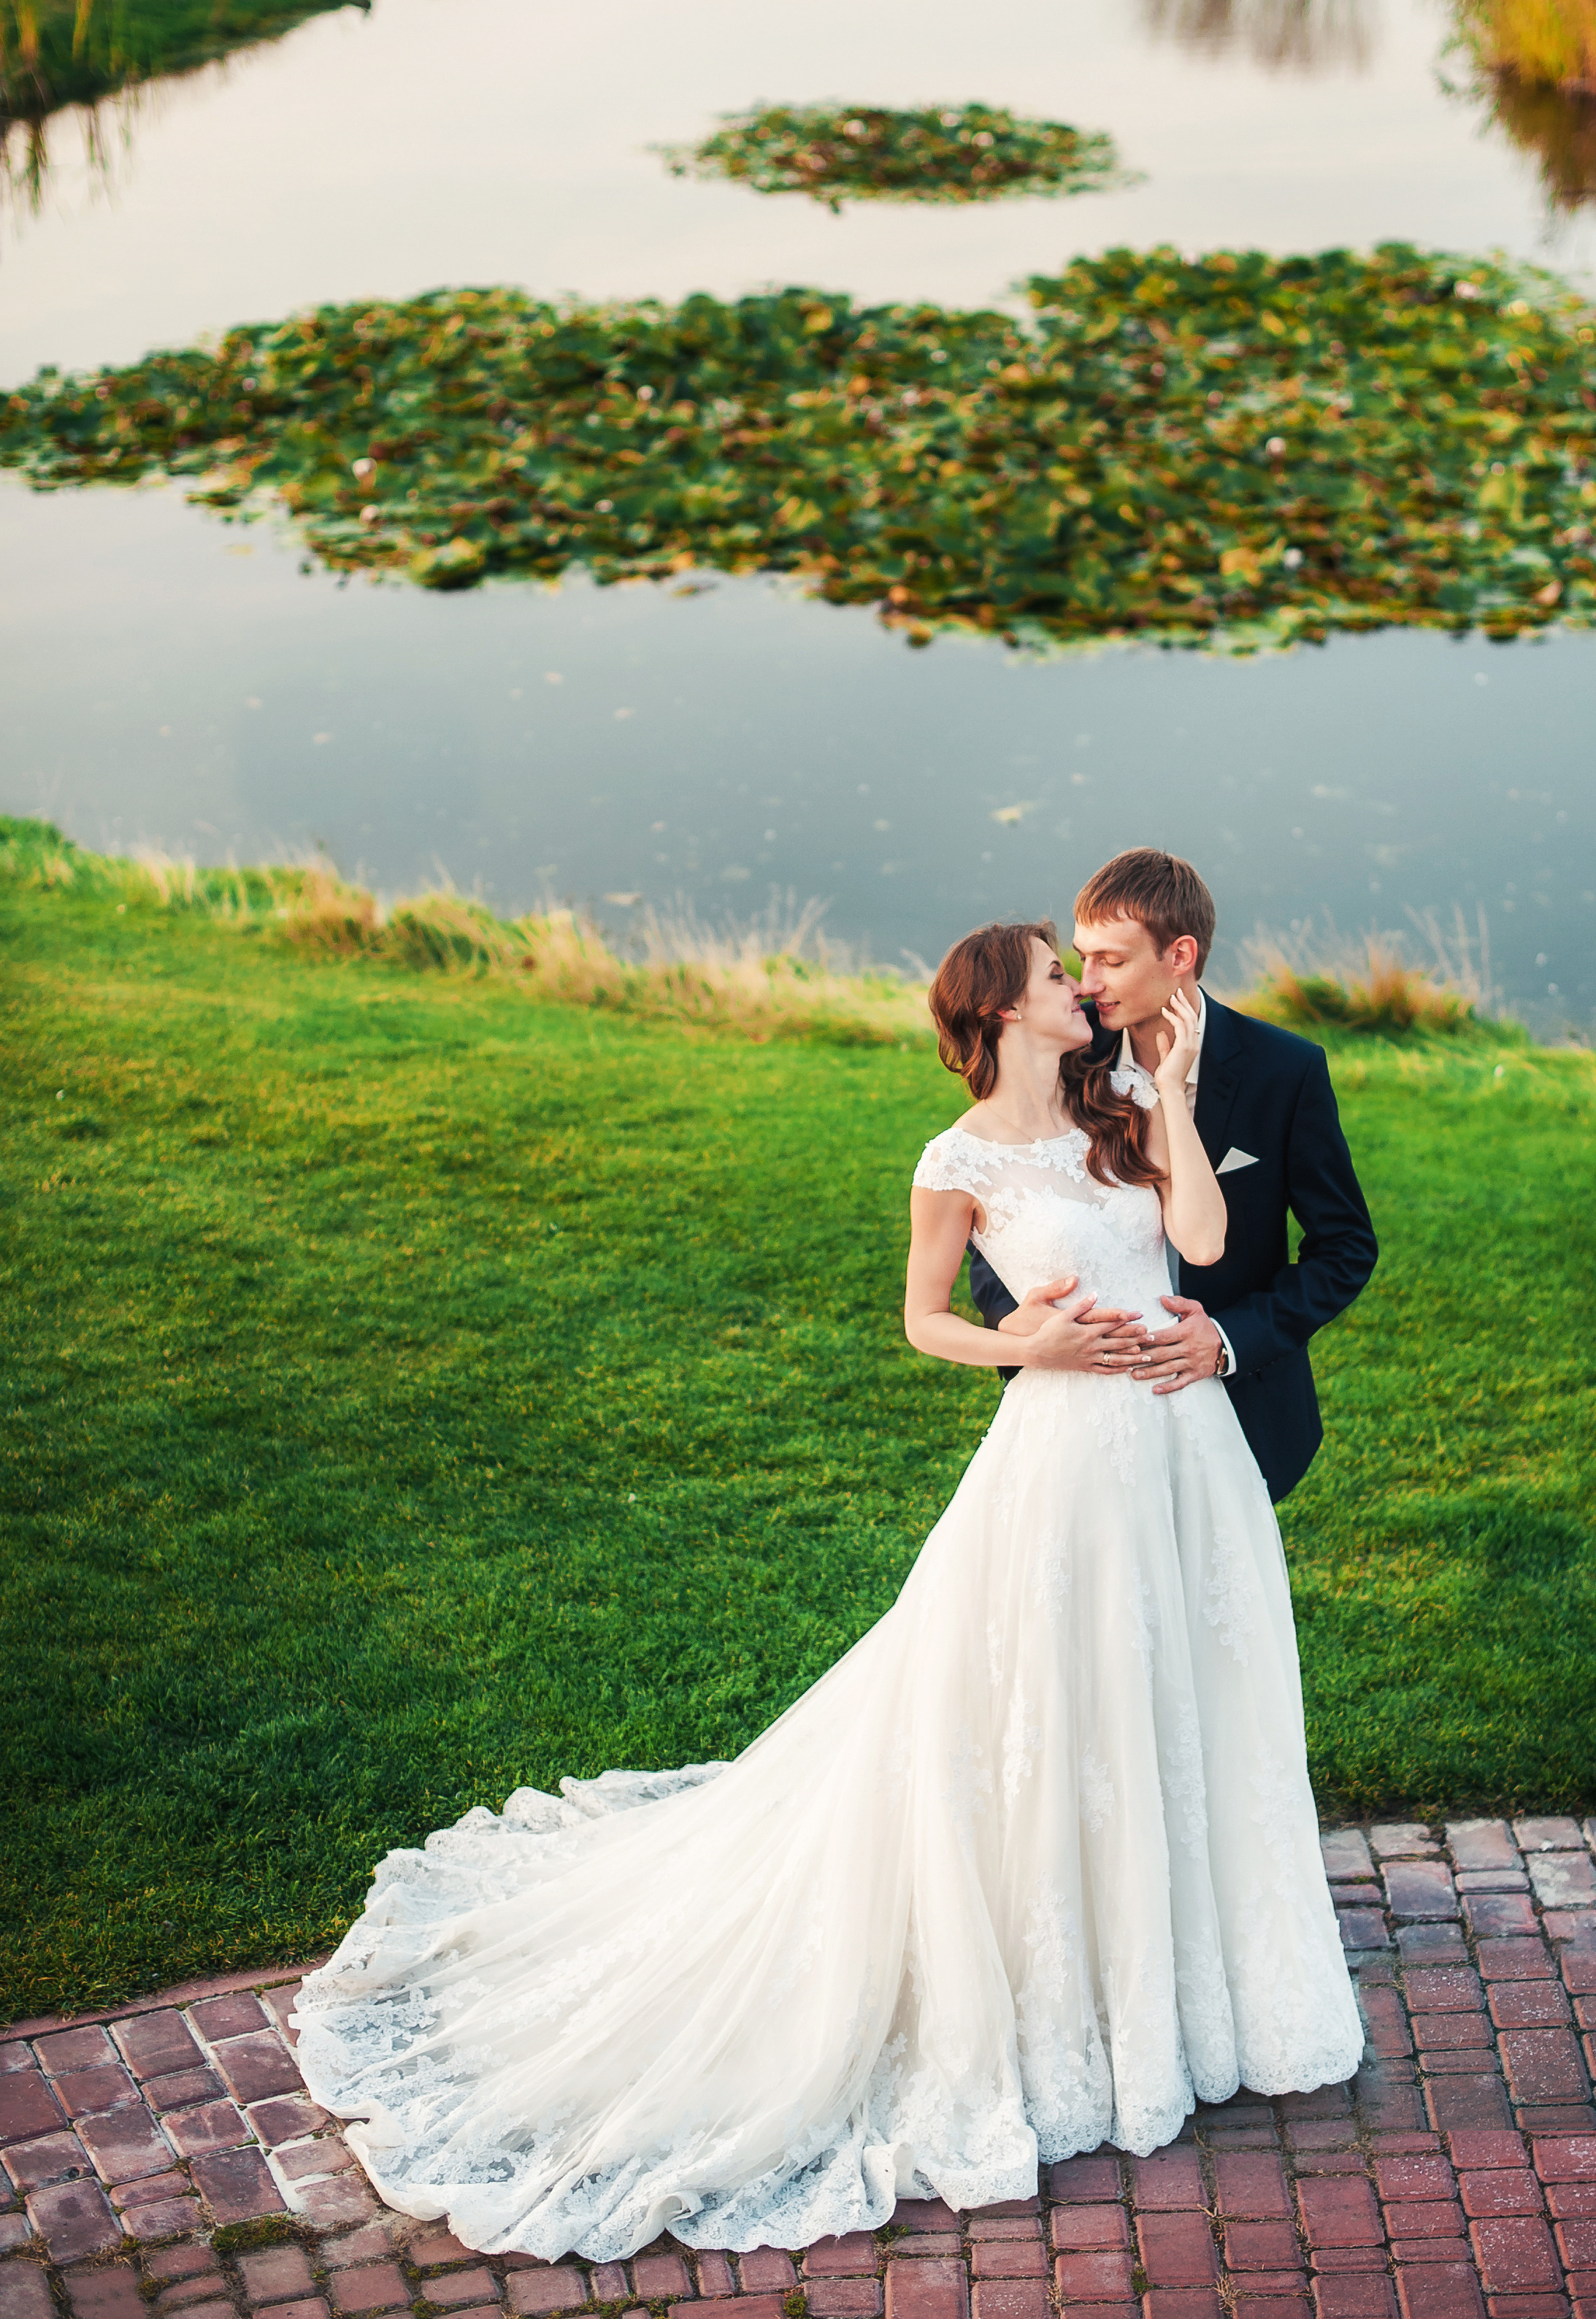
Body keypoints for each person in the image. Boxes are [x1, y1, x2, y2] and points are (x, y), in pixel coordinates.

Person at [294, 910, 1367, 2271]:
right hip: (1063, 1450)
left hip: (1183, 1449)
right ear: (999, 1012)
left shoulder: (1131, 1105)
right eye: (1058, 978)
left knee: (1189, 1688)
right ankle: (1065, 1987)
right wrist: (1019, 1340)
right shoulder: (955, 1159)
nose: (1081, 993)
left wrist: (1181, 1101)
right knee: (1055, 1699)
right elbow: (925, 1318)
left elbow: (1205, 1248)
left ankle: (1192, 1970)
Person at [972, 848, 1377, 1503]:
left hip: (1235, 1402)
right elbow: (999, 1212)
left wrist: (1224, 1340)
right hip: (1081, 1407)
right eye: (1081, 956)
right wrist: (1021, 1321)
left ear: (1180, 956)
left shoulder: (1284, 1071)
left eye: (1112, 960)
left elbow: (1345, 1248)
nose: (1085, 981)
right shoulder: (1066, 1060)